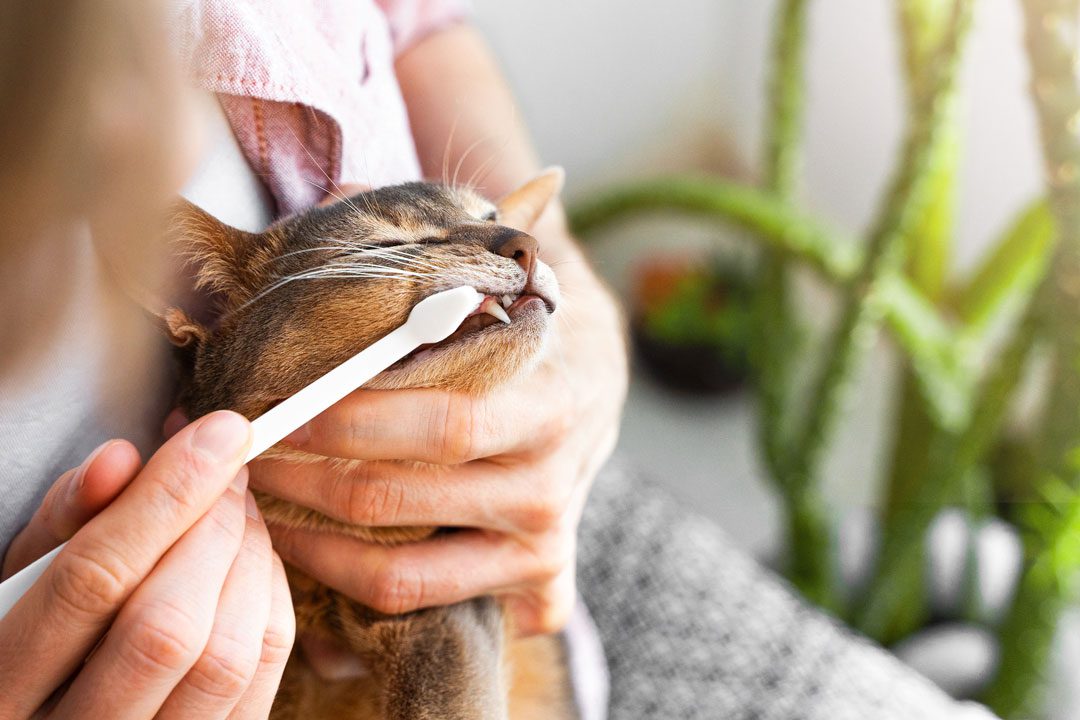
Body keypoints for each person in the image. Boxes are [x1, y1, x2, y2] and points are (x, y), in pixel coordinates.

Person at [0, 1, 1001, 718]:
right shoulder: (222, 285)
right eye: (413, 226)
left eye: (495, 231)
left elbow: (410, 18)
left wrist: (574, 304)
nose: (506, 251)